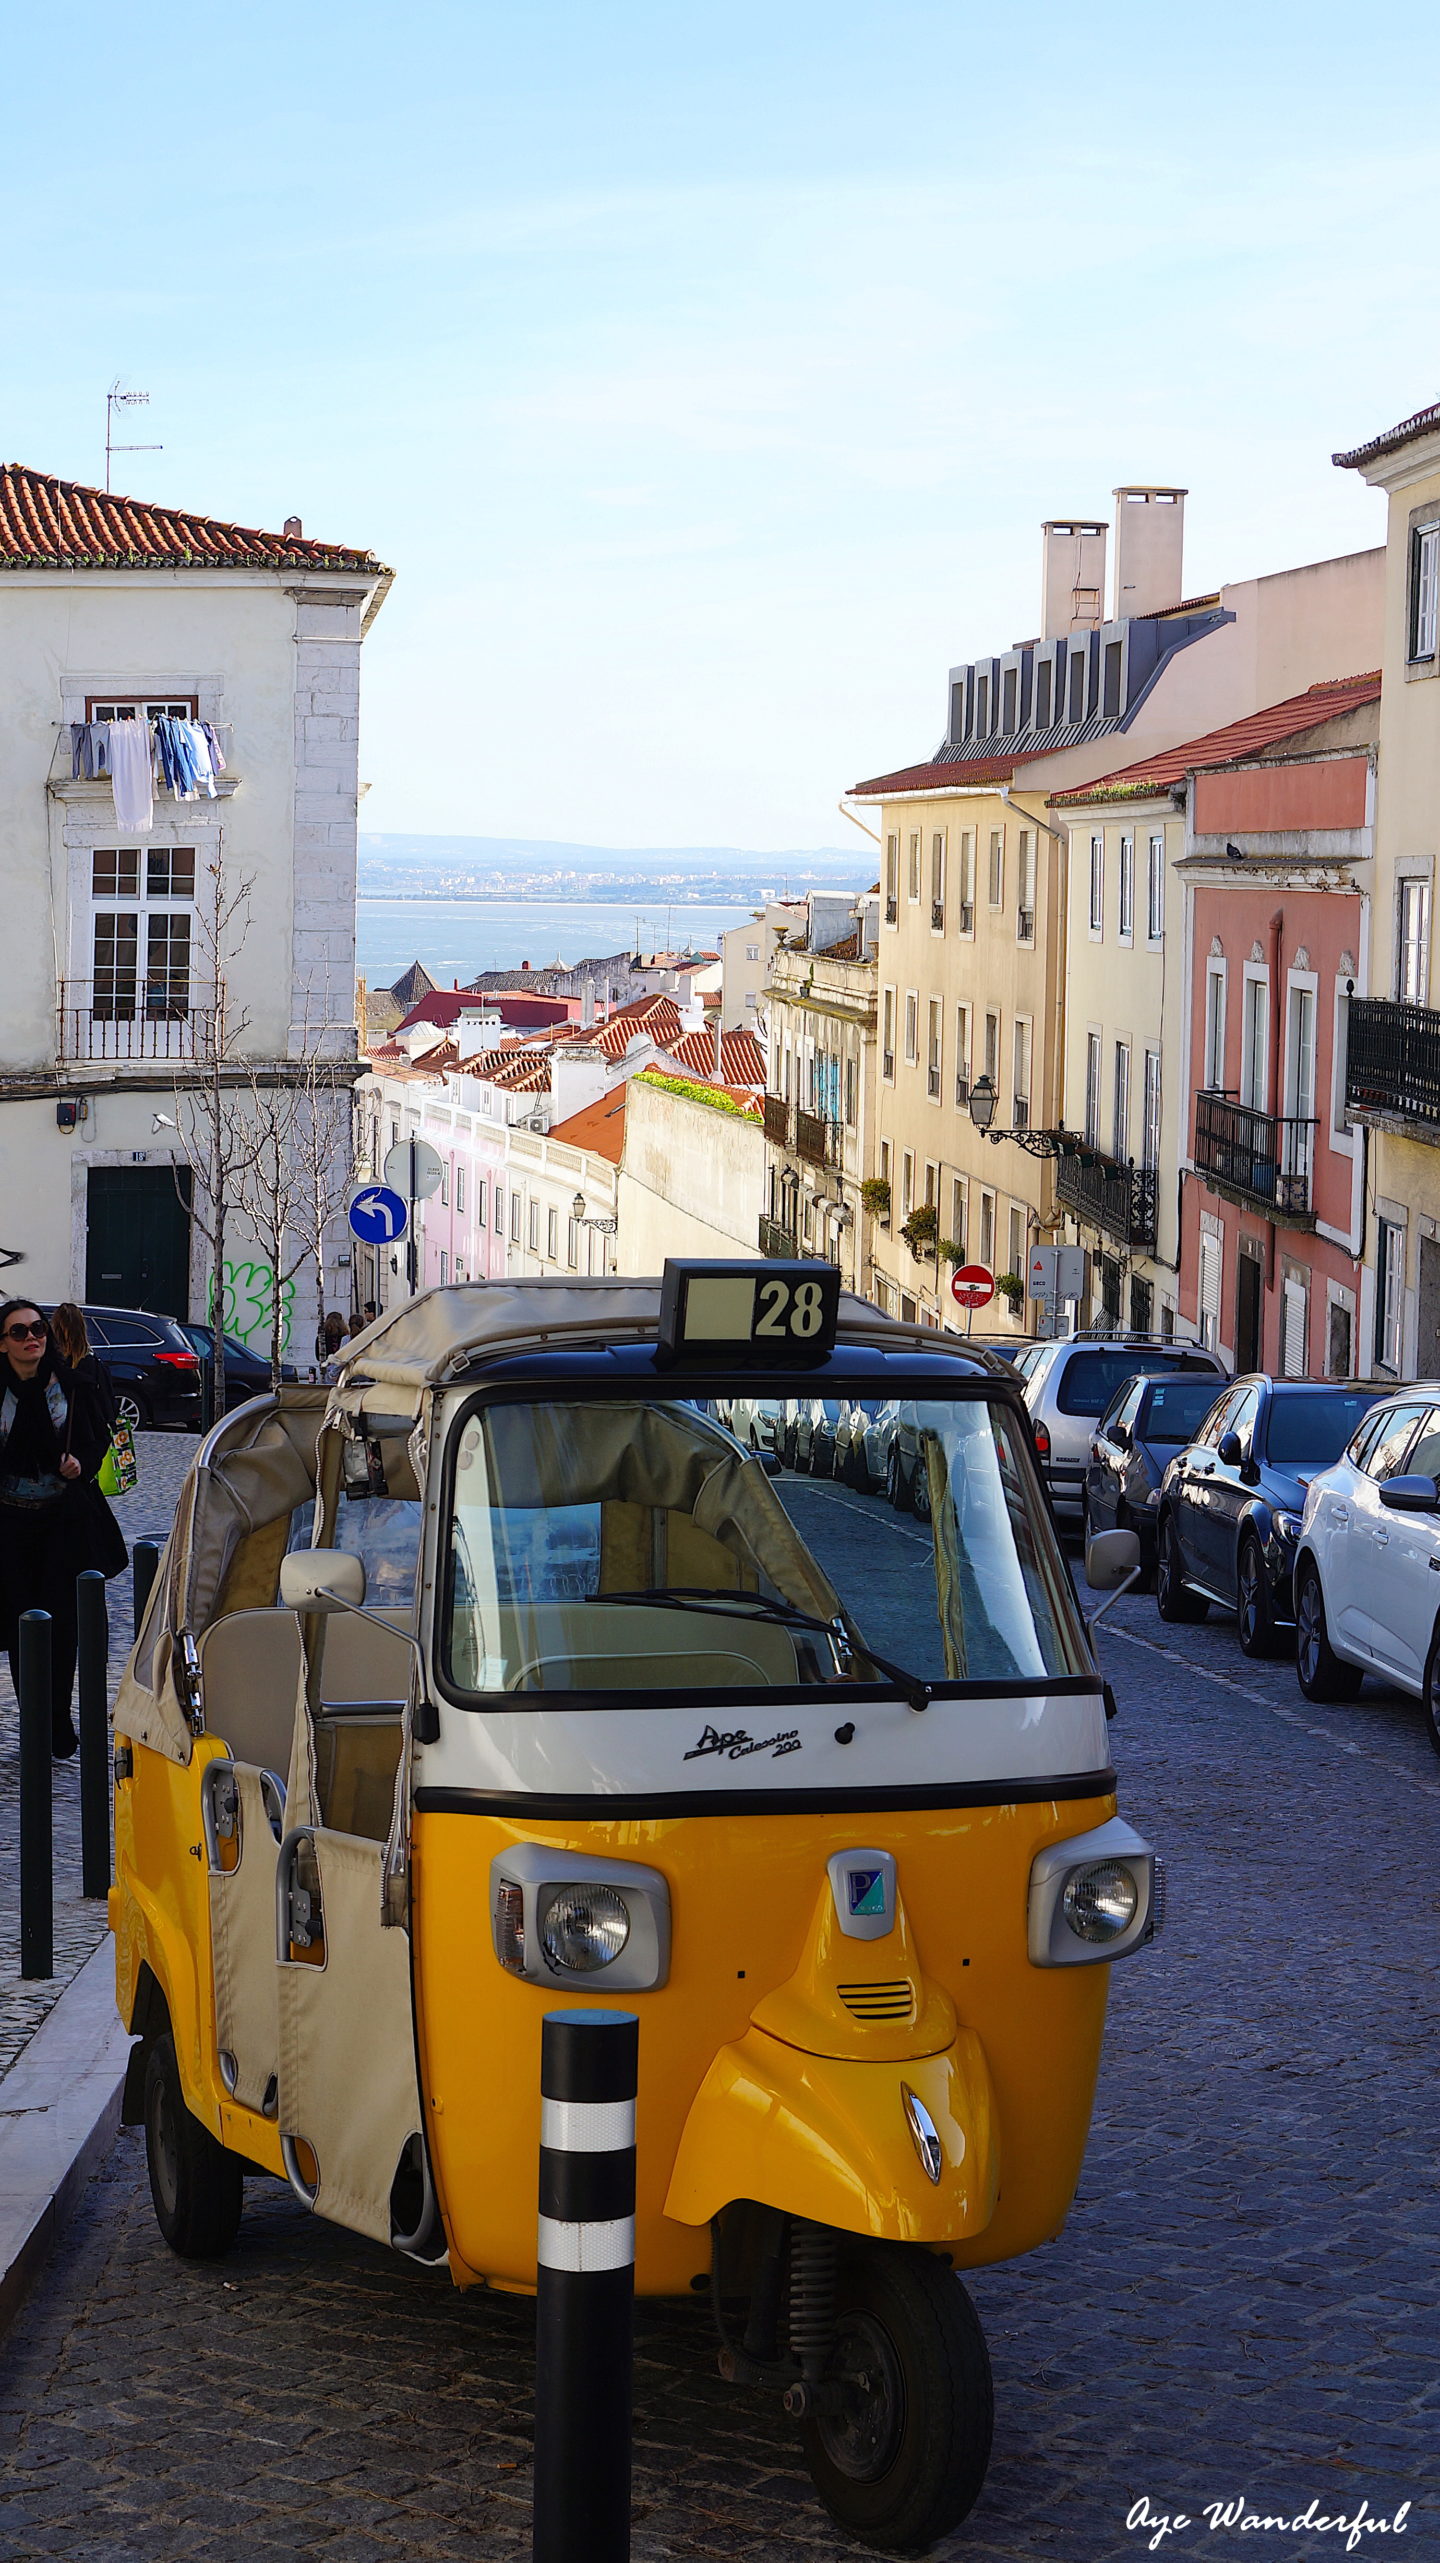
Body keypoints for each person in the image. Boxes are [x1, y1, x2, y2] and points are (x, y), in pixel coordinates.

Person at [0, 1301, 127, 1756]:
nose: (32, 1337)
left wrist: (81, 1464)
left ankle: (57, 1717)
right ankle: (35, 1717)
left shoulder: (72, 1386)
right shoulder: (2, 1394)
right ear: (3, 1343)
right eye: (20, 1332)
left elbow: (98, 1439)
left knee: (62, 1623)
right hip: (10, 1524)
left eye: (38, 1329)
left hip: (64, 1522)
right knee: (22, 1624)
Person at [50, 1302, 118, 1427]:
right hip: (90, 1435)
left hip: (59, 1435)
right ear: (82, 1328)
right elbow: (109, 1407)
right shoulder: (94, 1365)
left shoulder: (50, 1365)